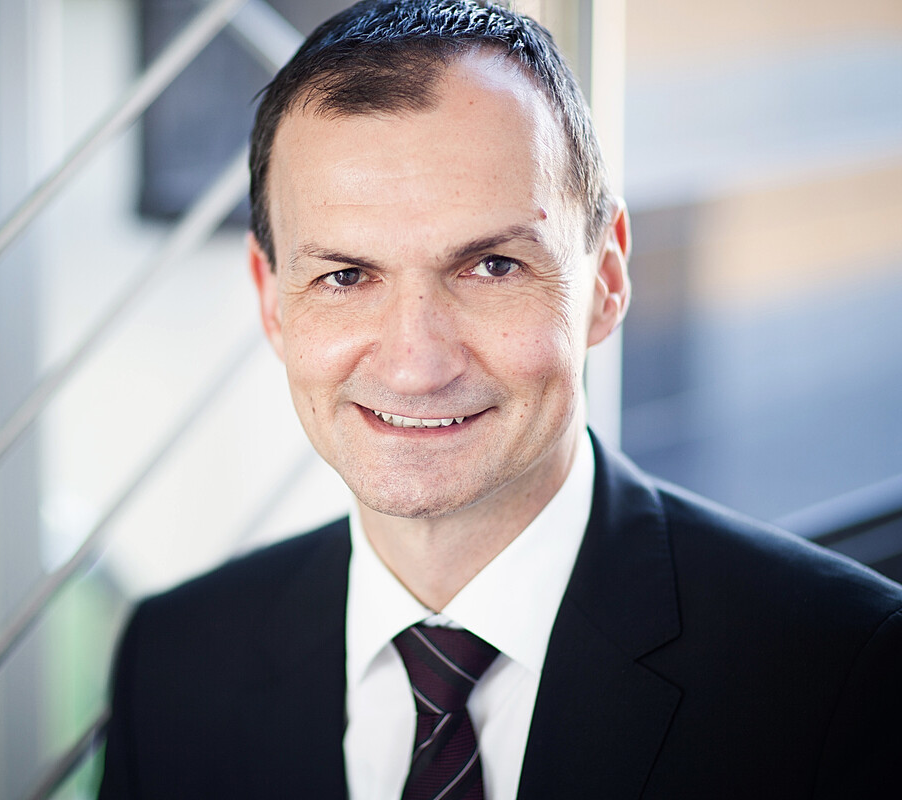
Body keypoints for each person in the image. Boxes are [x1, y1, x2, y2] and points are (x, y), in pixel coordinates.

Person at [98, 1, 902, 798]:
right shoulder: (171, 664)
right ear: (271, 300)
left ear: (606, 279)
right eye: (346, 276)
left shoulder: (848, 671)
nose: (416, 365)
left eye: (492, 267)